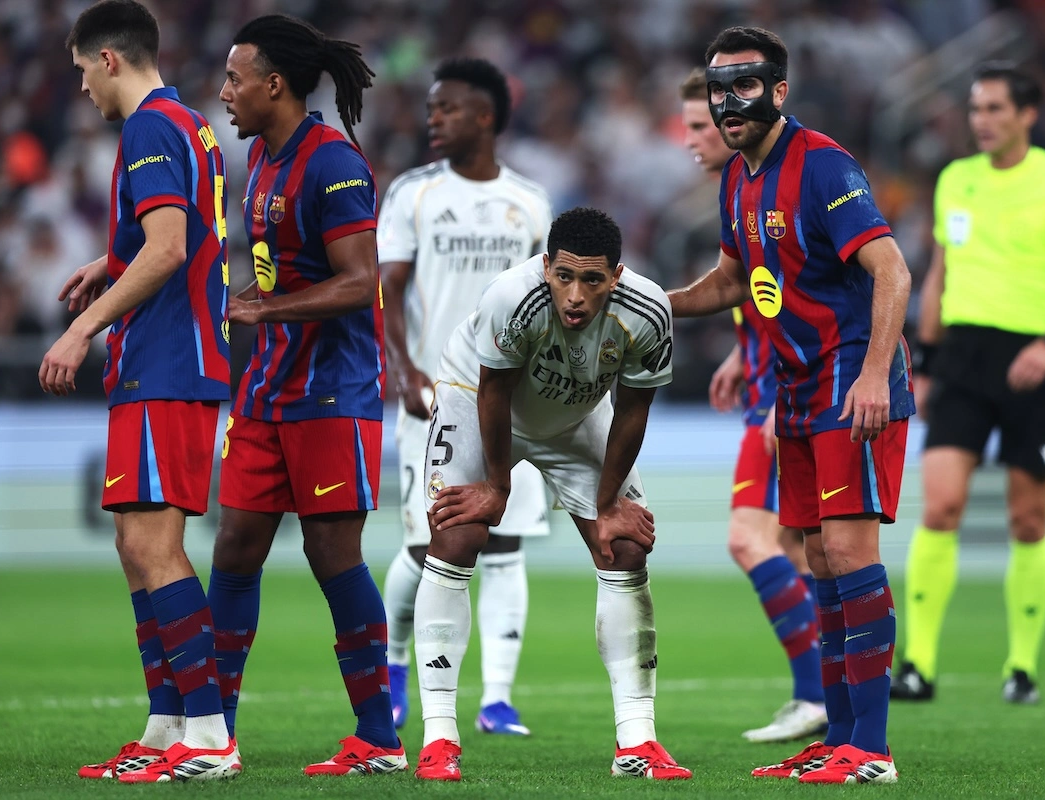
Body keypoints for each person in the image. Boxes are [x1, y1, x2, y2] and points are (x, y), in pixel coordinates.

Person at [669, 26, 915, 784]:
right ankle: (837, 735)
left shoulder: (821, 165)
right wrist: (640, 299)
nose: (726, 101)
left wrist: (873, 375)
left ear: (778, 90)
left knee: (848, 553)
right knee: (812, 554)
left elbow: (892, 271)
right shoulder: (736, 177)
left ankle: (869, 752)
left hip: (849, 384)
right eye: (718, 86)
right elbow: (727, 283)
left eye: (744, 84)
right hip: (795, 388)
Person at [411, 207, 691, 782]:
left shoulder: (649, 310)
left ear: (617, 275)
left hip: (576, 416)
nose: (576, 295)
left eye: (592, 280)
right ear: (546, 267)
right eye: (564, 276)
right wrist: (496, 487)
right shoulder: (511, 298)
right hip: (477, 397)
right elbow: (494, 392)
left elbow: (634, 409)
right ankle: (439, 736)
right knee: (457, 536)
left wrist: (610, 502)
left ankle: (637, 742)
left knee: (625, 549)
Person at [43, 0, 237, 782]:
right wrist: (110, 256)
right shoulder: (186, 125)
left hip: (167, 362)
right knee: (135, 547)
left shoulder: (149, 128)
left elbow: (169, 249)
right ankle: (165, 729)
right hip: (160, 362)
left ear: (110, 59)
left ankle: (210, 737)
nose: (83, 84)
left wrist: (81, 327)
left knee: (156, 549)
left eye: (83, 68)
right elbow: (165, 240)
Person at [206, 15, 403, 777]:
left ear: (273, 84)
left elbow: (361, 282)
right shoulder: (259, 159)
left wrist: (265, 309)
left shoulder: (333, 163)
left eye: (234, 78)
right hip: (267, 391)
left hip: (333, 391)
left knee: (332, 557)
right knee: (235, 547)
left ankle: (378, 739)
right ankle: (211, 734)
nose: (225, 92)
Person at [891, 63, 1045, 705]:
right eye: (976, 109)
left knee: (1028, 519)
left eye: (994, 109)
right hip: (961, 355)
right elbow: (938, 276)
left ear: (1027, 114)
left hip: (1032, 357)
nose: (980, 120)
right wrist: (923, 362)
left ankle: (1021, 667)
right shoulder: (957, 180)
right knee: (941, 505)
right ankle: (918, 666)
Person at [377, 57, 553, 736]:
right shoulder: (413, 193)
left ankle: (497, 700)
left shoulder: (531, 201)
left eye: (446, 108)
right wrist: (404, 368)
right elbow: (387, 287)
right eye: (431, 109)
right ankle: (391, 668)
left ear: (484, 115)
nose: (433, 119)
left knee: (505, 542)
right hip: (434, 397)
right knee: (429, 548)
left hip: (510, 401)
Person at [680, 68, 826, 743]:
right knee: (797, 551)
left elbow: (797, 287)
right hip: (769, 383)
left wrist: (781, 384)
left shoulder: (782, 179)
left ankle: (820, 689)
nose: (693, 139)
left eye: (700, 127)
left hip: (787, 396)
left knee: (749, 539)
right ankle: (830, 686)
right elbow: (754, 289)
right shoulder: (737, 188)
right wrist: (744, 352)